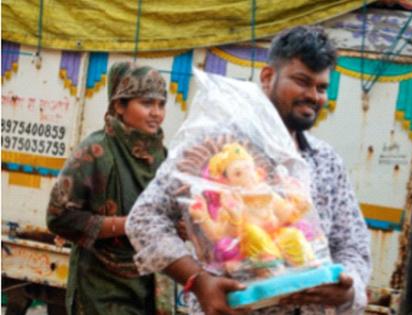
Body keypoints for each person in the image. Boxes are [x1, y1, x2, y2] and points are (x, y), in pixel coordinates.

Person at [126, 26, 371, 315]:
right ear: (268, 77)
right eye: (302, 81)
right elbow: (143, 219)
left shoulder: (326, 161)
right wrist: (200, 281)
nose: (313, 96)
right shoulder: (218, 148)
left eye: (321, 87)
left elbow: (352, 244)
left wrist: (348, 290)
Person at [46, 62, 168, 315]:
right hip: (99, 289)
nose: (156, 112)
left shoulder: (161, 156)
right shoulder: (95, 152)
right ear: (119, 106)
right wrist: (126, 225)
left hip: (146, 284)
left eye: (161, 104)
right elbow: (58, 217)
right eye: (147, 103)